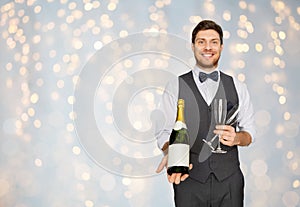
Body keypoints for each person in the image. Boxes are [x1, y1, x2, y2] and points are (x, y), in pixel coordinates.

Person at [155, 20, 255, 207]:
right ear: (193, 46)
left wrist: (237, 138)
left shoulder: (237, 87)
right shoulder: (175, 86)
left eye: (214, 42)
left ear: (221, 46)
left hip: (230, 182)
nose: (208, 47)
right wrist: (171, 152)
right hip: (189, 180)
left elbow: (249, 133)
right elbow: (163, 132)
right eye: (201, 41)